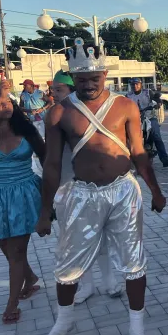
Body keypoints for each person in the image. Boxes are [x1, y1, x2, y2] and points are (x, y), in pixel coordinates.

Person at [35, 40, 167, 335]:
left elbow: (139, 153)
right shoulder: (59, 113)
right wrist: (44, 211)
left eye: (95, 77)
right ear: (72, 77)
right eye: (82, 79)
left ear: (105, 74)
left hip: (123, 190)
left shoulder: (126, 106)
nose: (89, 83)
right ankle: (63, 322)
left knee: (134, 262)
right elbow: (52, 165)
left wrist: (156, 191)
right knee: (67, 264)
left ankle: (137, 331)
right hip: (81, 195)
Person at [49, 71, 121, 303]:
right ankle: (86, 284)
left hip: (95, 188)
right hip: (67, 189)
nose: (54, 94)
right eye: (53, 90)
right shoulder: (56, 116)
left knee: (103, 236)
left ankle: (110, 281)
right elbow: (49, 159)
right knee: (76, 241)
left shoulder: (90, 116)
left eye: (59, 90)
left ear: (72, 91)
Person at [0, 92, 45, 323]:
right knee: (6, 248)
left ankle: (11, 304)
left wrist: (53, 193)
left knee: (16, 251)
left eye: (7, 101)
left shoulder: (27, 131)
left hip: (23, 195)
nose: (4, 106)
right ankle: (30, 277)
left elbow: (47, 159)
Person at [126, 78, 168, 167]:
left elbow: (157, 99)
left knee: (156, 135)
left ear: (141, 84)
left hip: (149, 117)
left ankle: (164, 158)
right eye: (133, 85)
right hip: (135, 119)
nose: (135, 86)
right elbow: (123, 105)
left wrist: (158, 103)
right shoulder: (128, 96)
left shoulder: (147, 92)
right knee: (126, 135)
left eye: (137, 84)